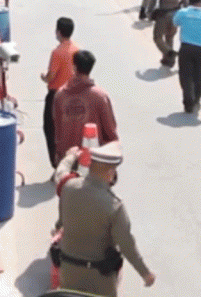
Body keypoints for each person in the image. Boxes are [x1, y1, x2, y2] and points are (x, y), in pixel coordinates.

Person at [55, 141, 156, 297]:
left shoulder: (68, 187)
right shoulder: (114, 206)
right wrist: (146, 274)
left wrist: (70, 157)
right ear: (110, 173)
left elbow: (60, 173)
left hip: (68, 274)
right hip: (99, 281)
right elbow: (127, 245)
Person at [53, 50, 118, 162]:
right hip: (93, 160)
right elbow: (110, 131)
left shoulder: (60, 96)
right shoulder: (100, 96)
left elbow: (57, 129)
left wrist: (59, 155)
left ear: (74, 67)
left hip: (67, 159)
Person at [41, 17, 80, 166]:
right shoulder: (76, 49)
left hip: (56, 95)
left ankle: (57, 164)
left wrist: (44, 78)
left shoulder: (57, 52)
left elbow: (51, 76)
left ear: (58, 32)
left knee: (50, 129)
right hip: (72, 94)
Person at [150, 0, 188, 67]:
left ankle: (168, 52)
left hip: (163, 14)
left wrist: (149, 11)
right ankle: (169, 60)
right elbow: (186, 2)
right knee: (170, 37)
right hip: (175, 15)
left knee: (157, 37)